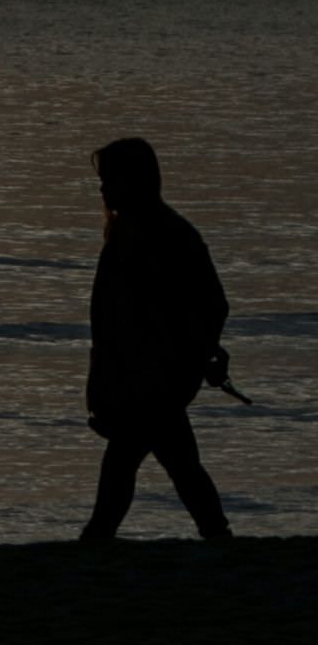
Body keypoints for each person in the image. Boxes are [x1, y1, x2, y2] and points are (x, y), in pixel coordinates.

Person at [80, 137, 232, 541]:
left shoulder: (162, 235)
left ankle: (96, 539)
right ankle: (219, 538)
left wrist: (197, 353)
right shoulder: (138, 233)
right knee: (176, 463)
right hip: (147, 378)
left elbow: (210, 303)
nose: (103, 189)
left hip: (152, 379)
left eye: (110, 179)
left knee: (129, 462)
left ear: (133, 180)